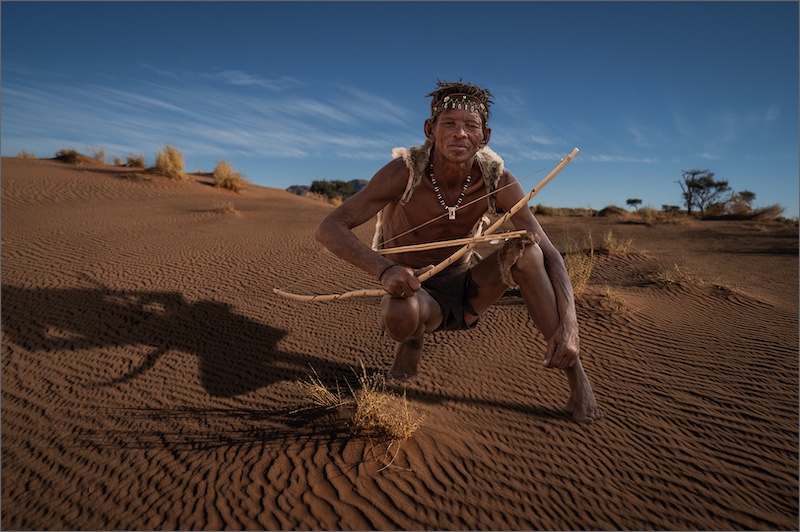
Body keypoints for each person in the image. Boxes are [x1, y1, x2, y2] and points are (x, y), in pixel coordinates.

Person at [315, 80, 604, 423]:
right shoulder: (404, 174)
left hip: (469, 287)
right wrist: (385, 270)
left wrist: (570, 327)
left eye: (471, 126)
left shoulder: (497, 178)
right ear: (430, 130)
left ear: (486, 136)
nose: (460, 134)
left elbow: (551, 253)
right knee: (400, 314)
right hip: (414, 291)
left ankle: (578, 382)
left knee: (529, 252)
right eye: (449, 123)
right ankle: (411, 345)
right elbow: (329, 227)